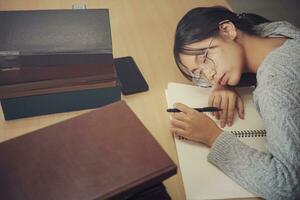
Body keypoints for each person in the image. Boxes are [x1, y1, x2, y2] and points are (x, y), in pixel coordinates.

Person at [171, 6, 300, 199]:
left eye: (205, 58)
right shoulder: (276, 31)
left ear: (228, 30)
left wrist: (212, 137)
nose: (210, 75)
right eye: (200, 74)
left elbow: (288, 185)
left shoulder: (274, 86)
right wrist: (227, 82)